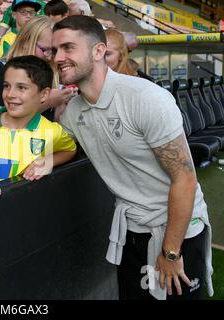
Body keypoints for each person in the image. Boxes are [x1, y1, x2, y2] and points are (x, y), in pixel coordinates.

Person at [53, 16, 213, 300]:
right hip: (132, 231)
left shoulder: (145, 98)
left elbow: (185, 179)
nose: (58, 57)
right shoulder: (73, 113)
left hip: (178, 232)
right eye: (54, 50)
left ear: (98, 51)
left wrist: (171, 252)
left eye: (67, 48)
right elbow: (46, 143)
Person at [0, 55, 76, 196]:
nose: (10, 94)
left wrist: (48, 161)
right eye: (6, 86)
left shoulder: (52, 131)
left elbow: (70, 150)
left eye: (21, 87)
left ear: (44, 94)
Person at [0, 15, 76, 121]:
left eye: (53, 51)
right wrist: (48, 103)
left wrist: (64, 101)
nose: (49, 57)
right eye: (44, 50)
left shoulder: (50, 76)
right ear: (25, 42)